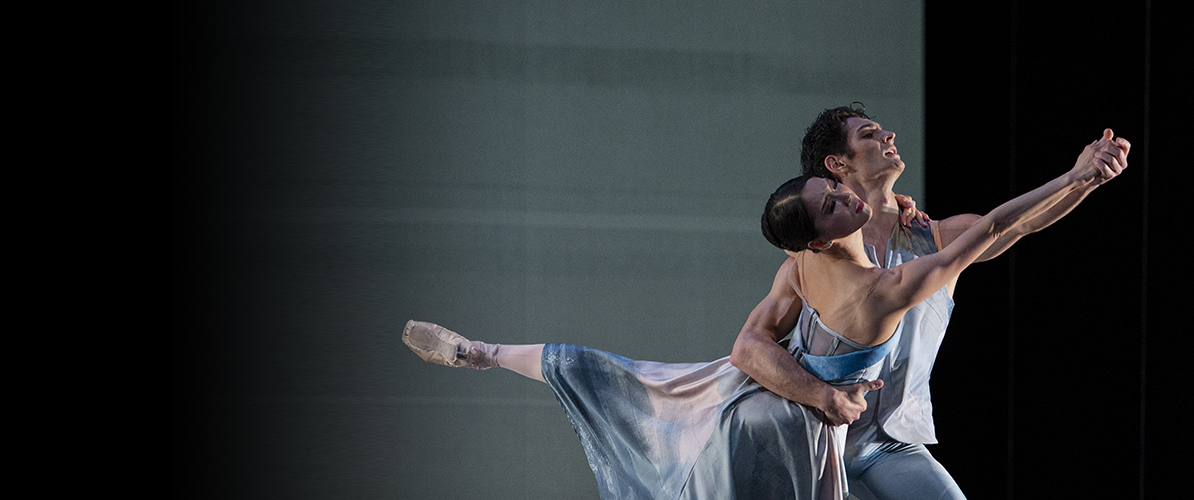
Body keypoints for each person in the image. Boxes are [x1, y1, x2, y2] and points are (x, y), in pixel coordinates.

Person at [402, 107, 1129, 499]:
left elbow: (1010, 226)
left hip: (882, 439)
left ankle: (486, 353)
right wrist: (820, 395)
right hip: (804, 423)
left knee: (629, 381)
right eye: (869, 135)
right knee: (638, 386)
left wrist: (1080, 181)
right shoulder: (820, 262)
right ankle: (482, 352)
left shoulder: (922, 236)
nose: (888, 137)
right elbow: (750, 347)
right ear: (836, 171)